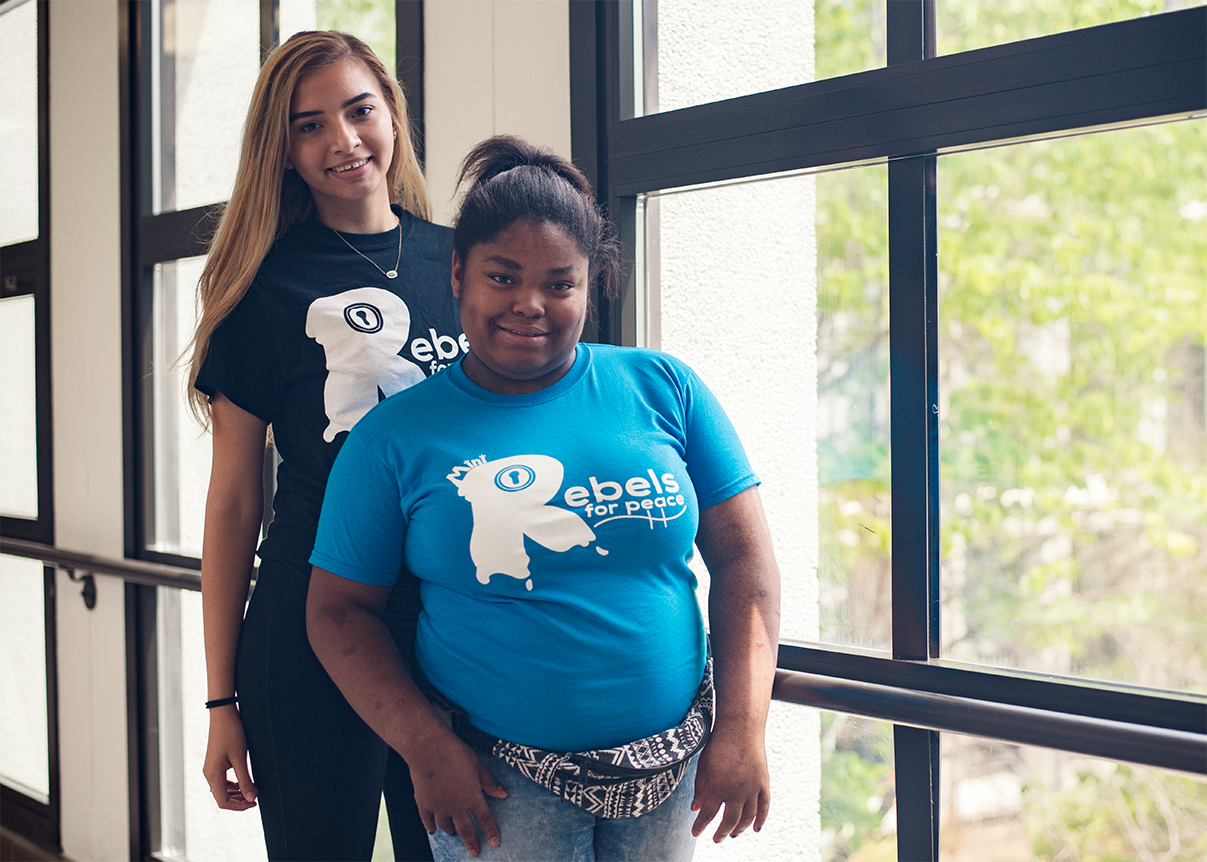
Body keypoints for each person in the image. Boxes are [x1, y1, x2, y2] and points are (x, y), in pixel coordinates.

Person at [305, 135, 781, 861]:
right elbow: (337, 612)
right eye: (502, 277)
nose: (529, 305)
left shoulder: (664, 389)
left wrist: (743, 730)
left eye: (560, 284)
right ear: (458, 273)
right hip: (493, 785)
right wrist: (425, 749)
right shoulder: (393, 436)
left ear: (590, 285)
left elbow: (745, 561)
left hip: (673, 771)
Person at [186, 30, 462, 862]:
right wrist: (221, 702)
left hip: (456, 623)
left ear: (392, 114)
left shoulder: (465, 262)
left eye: (358, 110)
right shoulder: (264, 286)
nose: (343, 140)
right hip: (310, 623)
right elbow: (235, 501)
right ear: (282, 151)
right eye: (309, 126)